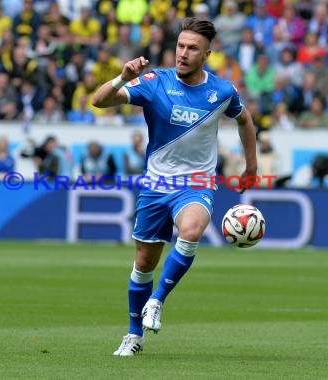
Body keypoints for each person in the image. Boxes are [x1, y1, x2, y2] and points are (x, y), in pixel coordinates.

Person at [92, 17, 257, 356]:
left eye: (192, 48)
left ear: (206, 54)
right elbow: (99, 101)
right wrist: (123, 77)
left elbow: (245, 120)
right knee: (143, 262)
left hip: (196, 183)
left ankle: (156, 301)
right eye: (180, 46)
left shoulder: (222, 91)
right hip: (155, 183)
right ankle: (133, 334)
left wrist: (251, 164)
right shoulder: (154, 82)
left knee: (192, 230)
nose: (183, 53)